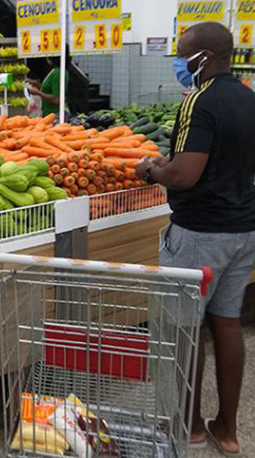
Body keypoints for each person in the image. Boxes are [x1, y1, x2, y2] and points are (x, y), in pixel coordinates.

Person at [135, 22, 255, 457]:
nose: (178, 61)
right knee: (226, 323)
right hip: (243, 230)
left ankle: (189, 425)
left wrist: (150, 169)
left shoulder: (199, 101)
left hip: (199, 233)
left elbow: (185, 175)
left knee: (185, 329)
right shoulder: (247, 97)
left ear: (202, 57)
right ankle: (227, 429)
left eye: (181, 53)